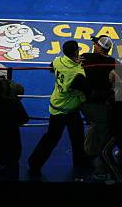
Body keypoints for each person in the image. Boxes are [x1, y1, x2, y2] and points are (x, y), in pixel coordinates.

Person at [28, 40, 89, 178]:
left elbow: (52, 66)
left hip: (57, 105)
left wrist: (74, 61)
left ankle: (34, 162)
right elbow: (86, 89)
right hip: (68, 109)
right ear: (76, 52)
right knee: (71, 138)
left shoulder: (58, 61)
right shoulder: (77, 73)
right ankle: (80, 164)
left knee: (56, 138)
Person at [80, 35, 120, 183]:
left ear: (99, 47)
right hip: (103, 103)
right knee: (101, 128)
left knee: (97, 128)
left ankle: (99, 166)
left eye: (95, 43)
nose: (93, 44)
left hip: (85, 103)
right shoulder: (113, 63)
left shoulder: (85, 57)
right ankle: (93, 154)